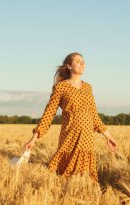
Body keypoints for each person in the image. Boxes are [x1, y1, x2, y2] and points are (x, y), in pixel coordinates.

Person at [24, 52, 118, 183]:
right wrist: (35, 137)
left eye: (83, 61)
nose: (82, 64)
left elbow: (94, 115)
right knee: (65, 177)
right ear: (69, 66)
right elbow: (49, 113)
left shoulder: (88, 88)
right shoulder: (61, 87)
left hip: (87, 137)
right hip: (70, 135)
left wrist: (108, 136)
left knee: (84, 179)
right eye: (78, 61)